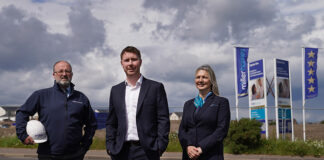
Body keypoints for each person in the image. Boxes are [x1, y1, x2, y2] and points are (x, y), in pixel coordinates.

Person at [16, 60, 97, 160]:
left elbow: (91, 124)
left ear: (71, 75)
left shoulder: (81, 98)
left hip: (75, 155)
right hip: (48, 154)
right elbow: (22, 113)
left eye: (67, 71)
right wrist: (23, 136)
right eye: (60, 71)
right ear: (54, 74)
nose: (64, 74)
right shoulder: (41, 95)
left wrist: (85, 146)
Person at [106, 46, 170, 160]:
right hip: (120, 151)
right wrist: (110, 146)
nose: (130, 63)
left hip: (147, 151)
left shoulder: (155, 88)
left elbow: (163, 119)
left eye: (134, 59)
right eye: (126, 60)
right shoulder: (115, 90)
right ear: (122, 64)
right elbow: (111, 122)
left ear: (140, 62)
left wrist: (160, 146)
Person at [178, 64, 230, 160]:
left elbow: (221, 130)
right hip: (189, 155)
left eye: (204, 77)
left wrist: (201, 148)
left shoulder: (221, 102)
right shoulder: (188, 104)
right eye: (198, 77)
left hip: (211, 155)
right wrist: (188, 146)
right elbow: (182, 131)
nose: (200, 80)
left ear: (211, 81)